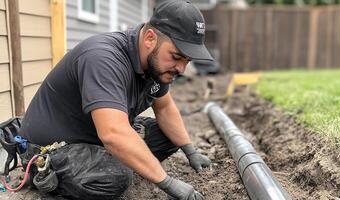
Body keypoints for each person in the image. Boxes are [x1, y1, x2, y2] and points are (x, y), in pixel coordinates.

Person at [18, 0, 213, 199]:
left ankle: (119, 161)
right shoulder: (103, 58)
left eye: (186, 61)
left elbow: (165, 108)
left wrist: (190, 152)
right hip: (53, 148)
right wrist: (168, 183)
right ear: (149, 38)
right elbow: (113, 134)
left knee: (170, 137)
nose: (181, 69)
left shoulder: (157, 66)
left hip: (95, 135)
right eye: (176, 56)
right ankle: (50, 180)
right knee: (116, 176)